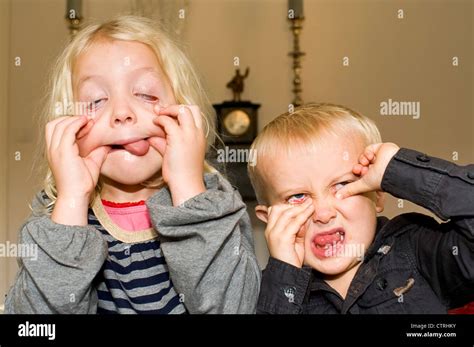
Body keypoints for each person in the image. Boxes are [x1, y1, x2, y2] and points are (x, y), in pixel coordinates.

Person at [5, 15, 261, 314]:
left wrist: (189, 190)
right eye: (96, 100)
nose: (122, 112)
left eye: (145, 94)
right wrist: (72, 201)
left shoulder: (215, 205)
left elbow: (235, 307)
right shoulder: (55, 219)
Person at [248, 103, 474, 314]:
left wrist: (398, 171)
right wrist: (284, 276)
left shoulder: (416, 249)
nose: (323, 214)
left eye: (342, 184)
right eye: (298, 196)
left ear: (377, 194)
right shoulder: (262, 291)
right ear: (268, 219)